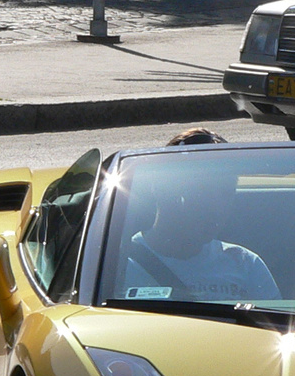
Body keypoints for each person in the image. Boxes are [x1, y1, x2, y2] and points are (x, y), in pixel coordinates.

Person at [120, 129, 280, 302]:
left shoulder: (244, 264)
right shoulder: (118, 266)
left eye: (226, 193)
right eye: (201, 190)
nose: (216, 206)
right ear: (161, 189)